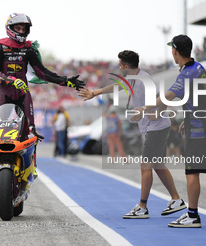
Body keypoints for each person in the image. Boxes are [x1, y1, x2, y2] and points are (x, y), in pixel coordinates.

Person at [131, 35, 206, 228]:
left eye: (172, 49)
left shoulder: (186, 73)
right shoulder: (198, 68)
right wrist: (186, 119)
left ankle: (193, 216)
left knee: (192, 171)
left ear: (175, 51)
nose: (172, 52)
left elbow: (169, 95)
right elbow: (197, 98)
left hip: (199, 129)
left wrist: (144, 109)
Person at [78, 50, 186, 219]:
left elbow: (163, 98)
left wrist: (157, 112)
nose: (118, 67)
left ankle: (142, 206)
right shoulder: (131, 79)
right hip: (153, 127)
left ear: (126, 66)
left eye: (120, 65)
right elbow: (116, 87)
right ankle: (176, 199)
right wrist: (94, 93)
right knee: (157, 166)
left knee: (145, 166)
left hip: (157, 127)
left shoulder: (145, 81)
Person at [0, 13, 85, 175]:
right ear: (10, 28)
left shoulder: (28, 49)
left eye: (23, 28)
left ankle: (31, 166)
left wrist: (66, 81)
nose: (20, 31)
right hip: (4, 94)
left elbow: (42, 73)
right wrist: (10, 80)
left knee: (30, 131)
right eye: (17, 28)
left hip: (23, 94)